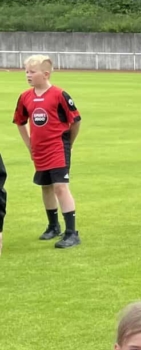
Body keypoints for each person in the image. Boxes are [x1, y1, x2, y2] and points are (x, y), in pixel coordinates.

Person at [14, 54, 81, 248]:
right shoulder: (25, 97)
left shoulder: (59, 95)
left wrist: (69, 141)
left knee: (61, 187)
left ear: (45, 74)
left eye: (32, 72)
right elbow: (20, 122)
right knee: (46, 187)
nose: (27, 75)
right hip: (40, 151)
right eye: (26, 71)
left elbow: (75, 121)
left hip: (58, 148)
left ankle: (72, 233)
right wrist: (29, 145)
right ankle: (53, 226)